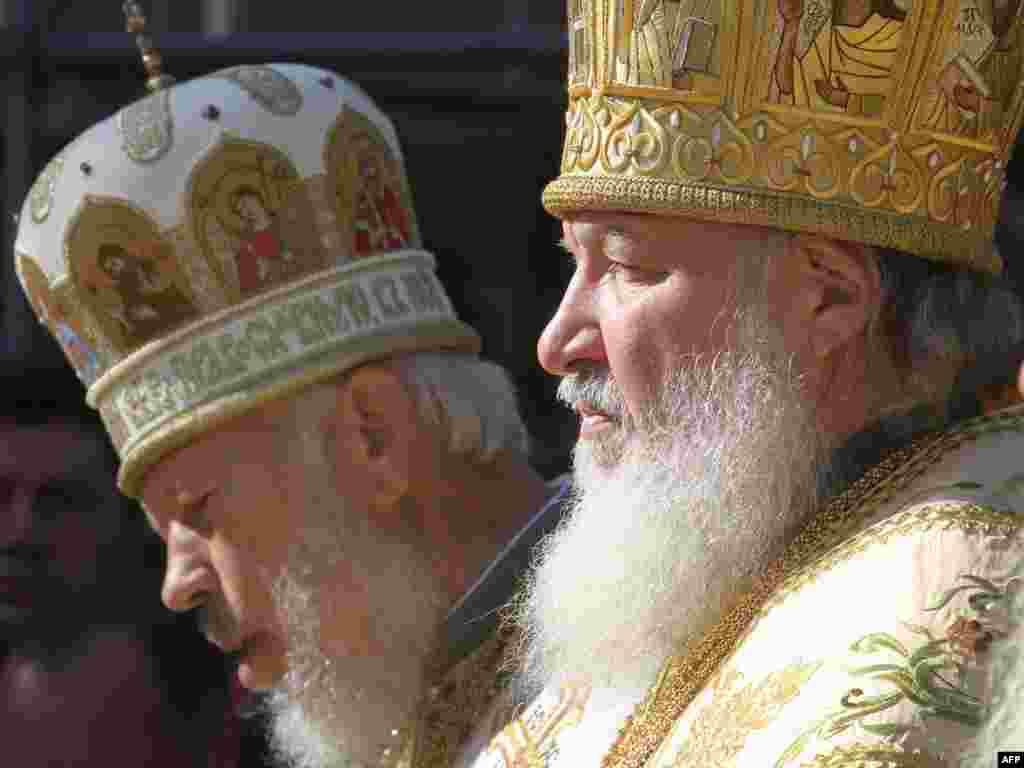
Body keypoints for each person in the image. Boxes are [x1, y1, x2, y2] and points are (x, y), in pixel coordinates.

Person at [459, 2, 1024, 767]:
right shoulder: (708, 558)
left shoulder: (972, 586)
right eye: (573, 262)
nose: (557, 341)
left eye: (625, 268)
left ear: (827, 297)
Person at [13, 44, 563, 768]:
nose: (177, 587)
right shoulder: (411, 714)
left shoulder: (670, 669)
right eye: (163, 536)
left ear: (374, 437)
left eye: (198, 513)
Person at [0, 342, 245, 768]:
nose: (20, 532)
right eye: (0, 498)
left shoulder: (215, 693)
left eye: (58, 502)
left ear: (132, 519)